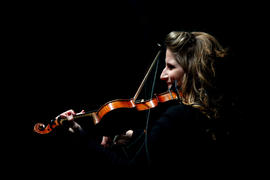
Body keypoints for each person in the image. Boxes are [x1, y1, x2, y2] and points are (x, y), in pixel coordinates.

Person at [49, 31, 238, 172]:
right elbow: (174, 147)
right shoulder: (215, 112)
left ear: (193, 72)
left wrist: (83, 138)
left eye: (171, 67)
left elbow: (131, 172)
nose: (163, 74)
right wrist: (134, 135)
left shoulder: (179, 115)